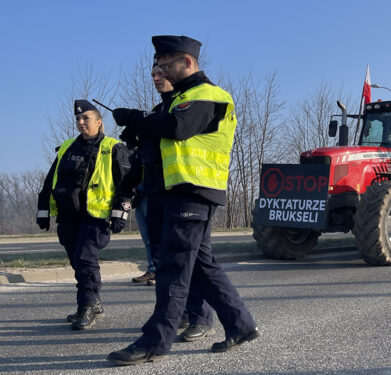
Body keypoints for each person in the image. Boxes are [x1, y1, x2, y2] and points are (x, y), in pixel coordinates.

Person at [107, 35, 258, 366]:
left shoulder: (207, 95)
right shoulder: (181, 99)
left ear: (187, 62)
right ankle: (241, 325)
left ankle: (154, 342)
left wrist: (135, 117)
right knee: (203, 268)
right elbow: (166, 140)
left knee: (173, 268)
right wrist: (141, 133)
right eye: (158, 65)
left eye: (165, 65)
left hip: (193, 192)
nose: (161, 71)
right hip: (181, 192)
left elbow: (177, 128)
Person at [120, 62, 217, 342]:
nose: (156, 77)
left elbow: (178, 134)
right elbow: (148, 156)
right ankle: (178, 313)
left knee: (195, 260)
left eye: (161, 72)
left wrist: (140, 120)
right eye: (153, 74)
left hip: (189, 194)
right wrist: (138, 139)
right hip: (157, 193)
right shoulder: (161, 109)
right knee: (164, 260)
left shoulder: (189, 106)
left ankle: (201, 317)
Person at [36, 100, 132, 330]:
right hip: (68, 215)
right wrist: (43, 211)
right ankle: (93, 301)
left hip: (96, 216)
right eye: (78, 119)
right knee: (77, 260)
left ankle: (87, 306)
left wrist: (121, 213)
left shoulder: (113, 147)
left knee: (85, 258)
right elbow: (50, 181)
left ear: (99, 122)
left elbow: (126, 184)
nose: (80, 122)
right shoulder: (67, 147)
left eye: (85, 118)